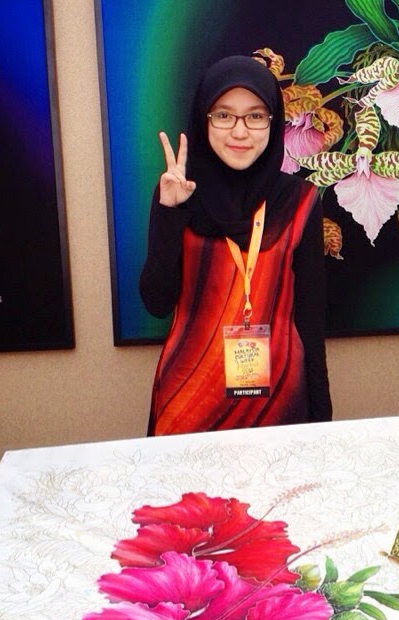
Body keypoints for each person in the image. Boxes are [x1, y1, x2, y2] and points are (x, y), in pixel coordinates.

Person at [140, 55, 332, 436]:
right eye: (224, 115)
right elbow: (156, 302)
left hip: (280, 402)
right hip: (190, 401)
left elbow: (311, 323)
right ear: (204, 119)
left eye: (255, 116)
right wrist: (169, 213)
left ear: (273, 121)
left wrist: (322, 424)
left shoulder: (301, 201)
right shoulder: (179, 193)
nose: (240, 132)